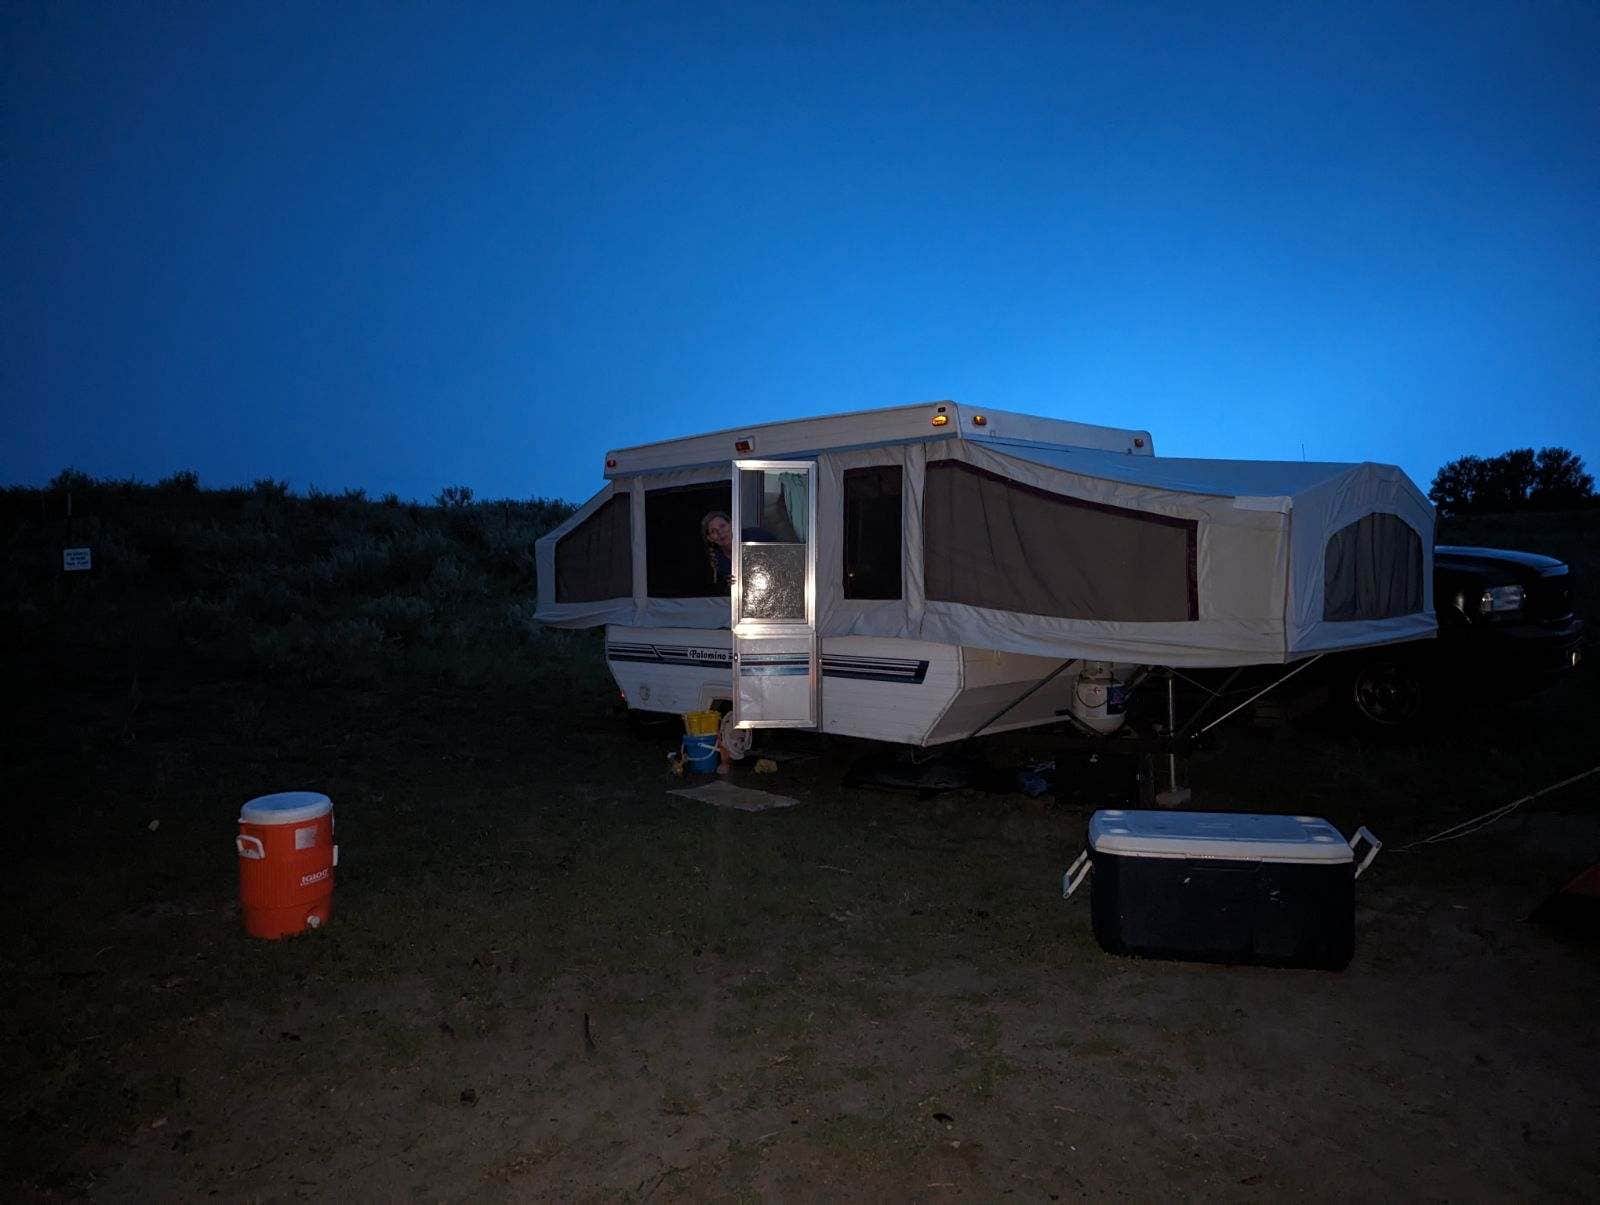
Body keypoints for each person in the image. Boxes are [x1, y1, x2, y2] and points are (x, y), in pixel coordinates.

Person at [701, 511, 734, 587]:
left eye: (722, 526)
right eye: (713, 531)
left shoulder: (754, 537)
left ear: (732, 524)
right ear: (710, 538)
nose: (720, 532)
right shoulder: (717, 562)